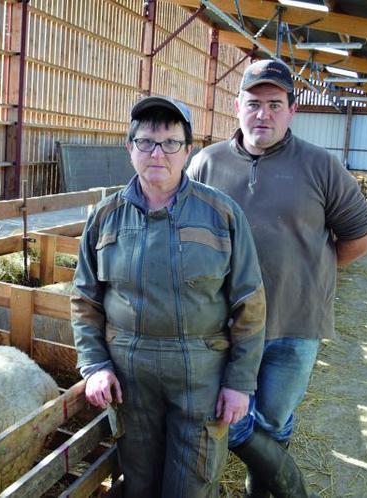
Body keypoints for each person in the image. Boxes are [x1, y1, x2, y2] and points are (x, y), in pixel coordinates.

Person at [188, 59, 367, 498]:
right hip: (222, 324)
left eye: (275, 104)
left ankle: (264, 491)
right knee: (225, 419)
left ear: (292, 110)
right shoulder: (206, 164)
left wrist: (310, 275)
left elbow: (361, 239)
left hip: (294, 325)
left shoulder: (321, 166)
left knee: (274, 419)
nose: (263, 115)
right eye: (254, 104)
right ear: (237, 106)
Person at [71, 95, 267, 497]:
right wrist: (93, 365)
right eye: (145, 142)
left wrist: (240, 383)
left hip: (200, 373)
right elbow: (84, 300)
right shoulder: (104, 217)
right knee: (138, 481)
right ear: (130, 150)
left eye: (170, 143)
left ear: (188, 151)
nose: (157, 153)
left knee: (192, 484)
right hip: (130, 375)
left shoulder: (222, 215)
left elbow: (250, 304)